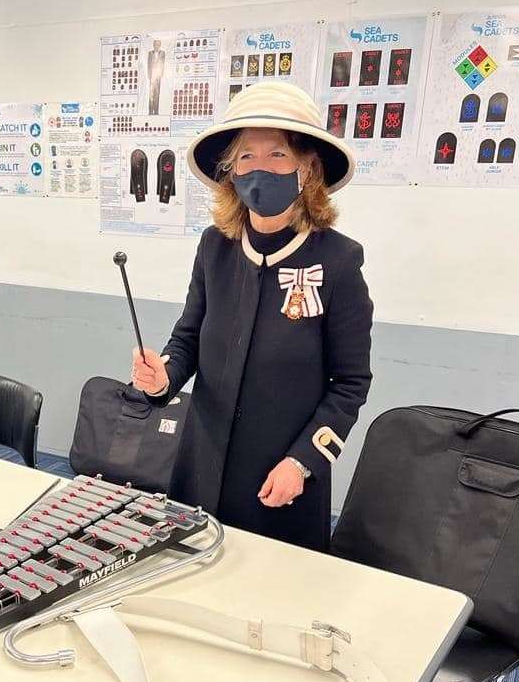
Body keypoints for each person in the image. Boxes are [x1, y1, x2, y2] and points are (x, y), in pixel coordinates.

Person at [131, 82, 373, 552]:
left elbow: (350, 384)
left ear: (308, 168)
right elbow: (187, 339)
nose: (259, 169)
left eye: (277, 155)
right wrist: (162, 377)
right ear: (231, 172)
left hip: (281, 478)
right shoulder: (214, 247)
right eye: (245, 157)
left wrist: (303, 461)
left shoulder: (339, 261)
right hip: (201, 464)